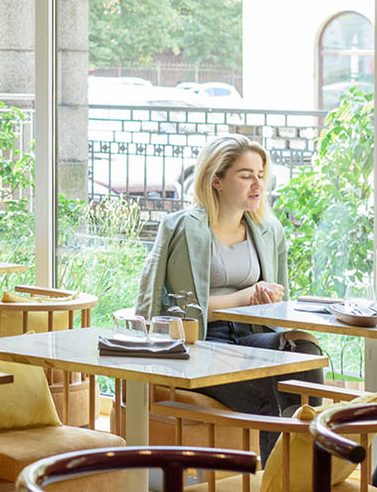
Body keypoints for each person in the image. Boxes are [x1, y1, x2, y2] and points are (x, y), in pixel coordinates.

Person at [135, 135, 324, 429]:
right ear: (217, 180)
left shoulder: (269, 230)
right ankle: (278, 472)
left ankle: (309, 459)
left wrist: (269, 302)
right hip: (203, 342)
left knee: (304, 349)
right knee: (268, 394)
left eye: (261, 176)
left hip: (249, 337)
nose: (258, 185)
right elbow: (177, 312)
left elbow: (279, 309)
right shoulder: (183, 230)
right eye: (246, 176)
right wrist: (245, 297)